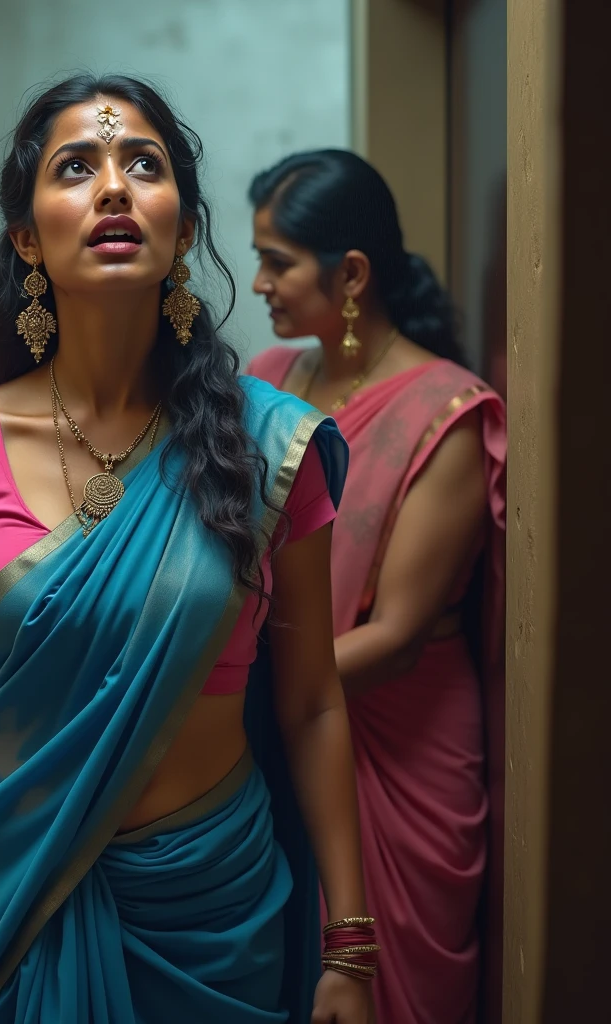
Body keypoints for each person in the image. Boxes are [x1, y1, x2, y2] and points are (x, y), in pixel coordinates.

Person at [0, 75, 376, 1024]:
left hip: (208, 909)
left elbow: (312, 702)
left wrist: (352, 943)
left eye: (144, 164)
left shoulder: (268, 446)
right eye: (76, 167)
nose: (115, 188)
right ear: (25, 235)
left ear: (182, 220)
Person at [246, 149, 507, 1024]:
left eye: (277, 261)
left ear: (349, 273)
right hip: (283, 729)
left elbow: (396, 637)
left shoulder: (448, 414)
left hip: (400, 739)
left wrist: (238, 683)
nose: (258, 285)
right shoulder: (269, 380)